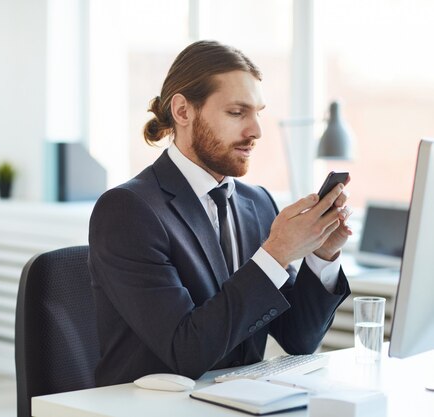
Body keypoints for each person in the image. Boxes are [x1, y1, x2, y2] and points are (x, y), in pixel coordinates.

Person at [88, 40, 352, 387]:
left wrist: (321, 253)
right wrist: (276, 254)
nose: (255, 130)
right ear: (183, 111)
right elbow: (186, 352)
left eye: (257, 112)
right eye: (237, 112)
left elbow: (298, 339)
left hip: (235, 404)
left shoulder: (257, 204)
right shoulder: (127, 211)